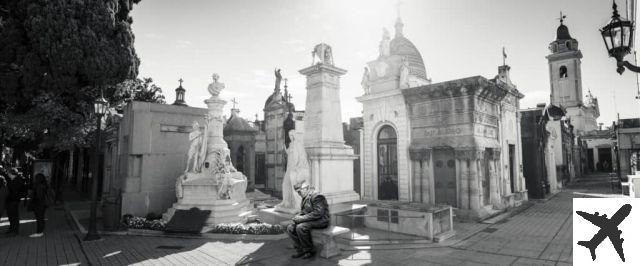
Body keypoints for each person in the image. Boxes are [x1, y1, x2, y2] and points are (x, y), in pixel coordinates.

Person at [286, 181, 330, 260]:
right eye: (297, 192)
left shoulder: (317, 196)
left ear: (306, 188)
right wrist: (298, 216)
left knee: (301, 227)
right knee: (290, 228)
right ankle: (300, 250)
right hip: (312, 220)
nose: (299, 194)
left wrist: (301, 218)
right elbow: (305, 212)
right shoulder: (305, 197)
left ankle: (309, 250)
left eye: (300, 191)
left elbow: (318, 213)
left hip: (321, 220)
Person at [5, 168, 27, 236]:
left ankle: (14, 231)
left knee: (14, 216)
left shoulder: (17, 180)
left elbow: (15, 192)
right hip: (11, 200)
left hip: (13, 201)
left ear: (11, 174)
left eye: (8, 173)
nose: (7, 174)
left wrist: (11, 197)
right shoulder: (13, 180)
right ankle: (12, 228)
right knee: (11, 216)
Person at [29, 173, 50, 237]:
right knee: (41, 218)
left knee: (39, 218)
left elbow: (39, 197)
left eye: (36, 178)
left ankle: (39, 232)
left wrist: (32, 198)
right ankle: (40, 231)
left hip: (39, 205)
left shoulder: (39, 186)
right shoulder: (44, 185)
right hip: (42, 205)